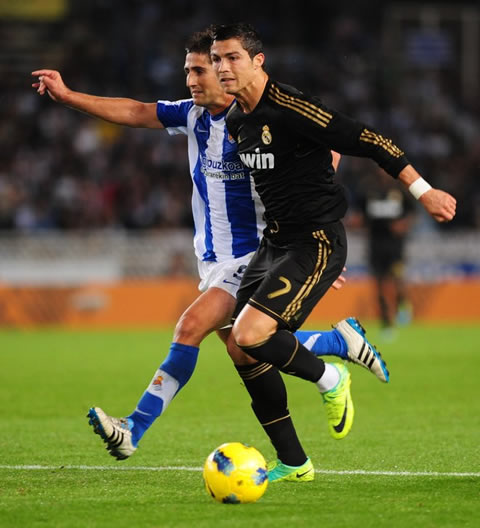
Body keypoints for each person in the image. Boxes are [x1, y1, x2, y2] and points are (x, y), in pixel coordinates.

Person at [31, 30, 389, 483]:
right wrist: (67, 97)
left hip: (256, 252)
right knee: (245, 352)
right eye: (190, 70)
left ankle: (133, 429)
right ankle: (302, 445)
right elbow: (136, 110)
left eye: (202, 69)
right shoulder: (193, 115)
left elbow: (328, 150)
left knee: (191, 327)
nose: (194, 79)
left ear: (229, 72)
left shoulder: (264, 118)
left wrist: (307, 238)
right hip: (214, 260)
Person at [209, 22, 456, 477]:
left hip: (316, 239)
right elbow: (311, 160)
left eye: (232, 57)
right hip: (277, 243)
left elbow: (368, 139)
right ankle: (294, 461)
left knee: (249, 334)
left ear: (258, 61)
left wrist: (424, 192)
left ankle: (331, 374)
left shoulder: (291, 106)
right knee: (239, 348)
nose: (222, 67)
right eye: (216, 59)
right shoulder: (237, 120)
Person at [351, 167, 416, 338]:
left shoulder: (400, 191)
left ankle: (403, 303)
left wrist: (404, 224)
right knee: (379, 284)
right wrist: (356, 222)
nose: (382, 171)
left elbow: (413, 213)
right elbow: (359, 216)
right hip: (375, 243)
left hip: (395, 245)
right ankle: (386, 323)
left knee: (396, 279)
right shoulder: (368, 191)